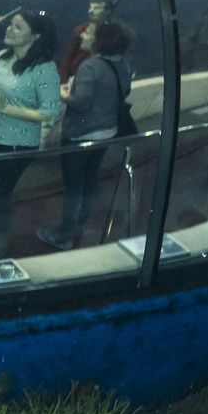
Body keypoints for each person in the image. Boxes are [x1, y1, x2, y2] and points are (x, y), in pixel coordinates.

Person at [0, 10, 62, 259]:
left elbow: (49, 113)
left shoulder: (44, 68)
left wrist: (5, 108)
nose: (9, 29)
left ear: (35, 36)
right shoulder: (1, 57)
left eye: (18, 27)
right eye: (11, 25)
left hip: (14, 145)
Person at [39, 21, 136, 250]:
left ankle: (64, 234)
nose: (84, 35)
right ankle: (80, 225)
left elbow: (81, 103)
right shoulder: (122, 64)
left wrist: (62, 95)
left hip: (81, 134)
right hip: (107, 132)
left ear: (101, 40)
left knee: (73, 186)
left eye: (90, 33)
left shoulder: (90, 66)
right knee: (89, 181)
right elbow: (126, 90)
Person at [57, 0, 113, 83]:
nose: (91, 11)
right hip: (78, 77)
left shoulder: (114, 32)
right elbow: (68, 57)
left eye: (96, 8)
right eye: (90, 7)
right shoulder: (80, 30)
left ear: (108, 11)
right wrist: (64, 81)